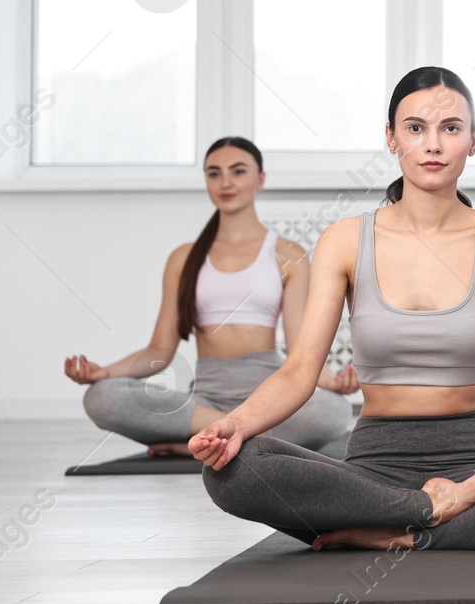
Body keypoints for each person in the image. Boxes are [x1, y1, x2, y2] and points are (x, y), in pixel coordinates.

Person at [190, 67, 475, 551]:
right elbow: (298, 372)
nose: (433, 144)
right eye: (416, 128)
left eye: (451, 128)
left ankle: (392, 532)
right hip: (373, 467)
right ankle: (432, 512)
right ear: (392, 139)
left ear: (473, 141)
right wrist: (235, 425)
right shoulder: (344, 241)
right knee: (233, 471)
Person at [64, 137, 354, 455]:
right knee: (101, 397)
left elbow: (301, 347)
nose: (225, 182)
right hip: (205, 398)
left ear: (260, 179)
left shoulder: (288, 254)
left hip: (270, 394)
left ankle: (205, 439)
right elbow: (160, 350)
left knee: (334, 412)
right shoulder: (184, 258)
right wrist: (103, 373)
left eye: (238, 171)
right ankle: (240, 433)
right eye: (214, 173)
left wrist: (331, 382)